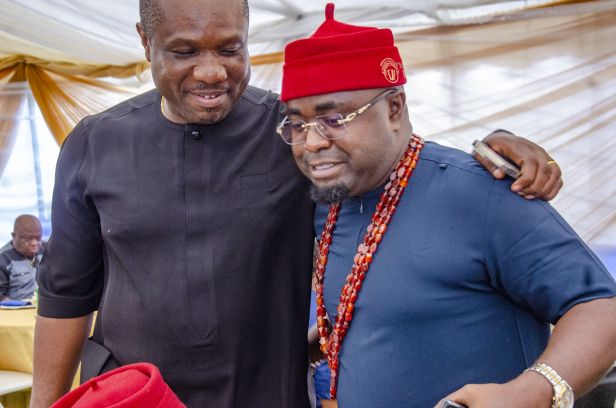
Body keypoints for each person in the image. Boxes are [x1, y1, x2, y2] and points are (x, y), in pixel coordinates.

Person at [31, 0, 566, 407]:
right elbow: (67, 293)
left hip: (265, 390)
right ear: (146, 41)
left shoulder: (292, 132)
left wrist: (492, 147)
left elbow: (391, 157)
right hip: (133, 392)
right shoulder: (94, 142)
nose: (211, 72)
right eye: (185, 51)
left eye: (230, 49)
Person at [279, 4, 616, 408]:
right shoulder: (330, 203)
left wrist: (532, 391)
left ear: (394, 109)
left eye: (334, 119)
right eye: (297, 124)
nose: (312, 142)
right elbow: (388, 307)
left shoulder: (481, 193)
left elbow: (600, 307)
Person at [0, 214, 43, 301]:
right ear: (14, 236)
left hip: (47, 305)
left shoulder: (47, 250)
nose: (34, 243)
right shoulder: (3, 259)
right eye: (28, 239)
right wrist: (20, 305)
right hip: (18, 307)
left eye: (38, 238)